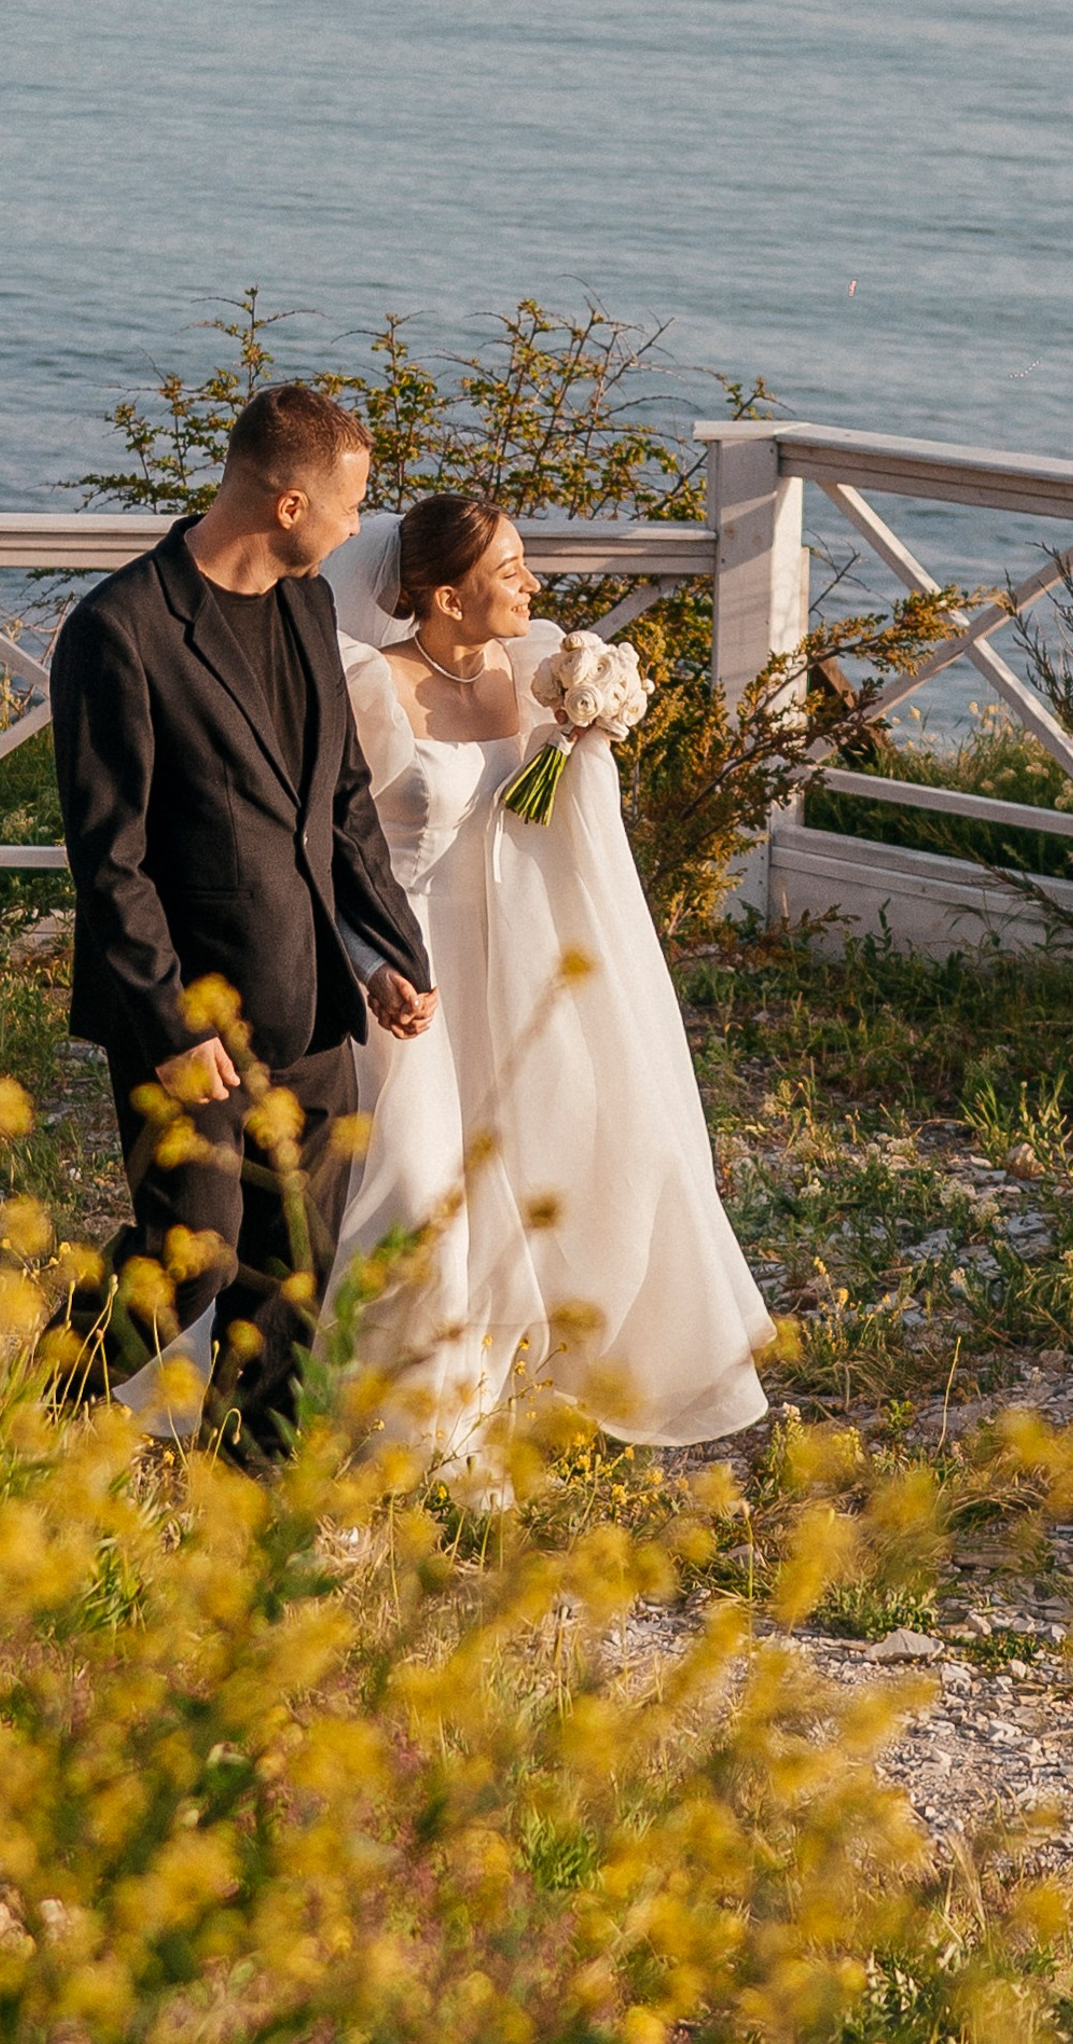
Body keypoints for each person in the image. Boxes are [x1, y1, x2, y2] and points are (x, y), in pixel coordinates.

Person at [321, 493, 771, 1490]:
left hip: (518, 961)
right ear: (444, 594)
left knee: (526, 1184)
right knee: (419, 1181)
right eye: (511, 567)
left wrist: (589, 733)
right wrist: (367, 961)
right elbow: (328, 849)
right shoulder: (369, 687)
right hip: (407, 967)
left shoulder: (540, 675)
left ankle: (474, 1412)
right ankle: (387, 1423)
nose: (534, 582)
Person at [50, 386, 437, 1452]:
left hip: (313, 1003)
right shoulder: (117, 630)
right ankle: (26, 1419)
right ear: (285, 502)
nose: (362, 527)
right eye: (350, 505)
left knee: (292, 1269)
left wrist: (388, 951)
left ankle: (251, 1497)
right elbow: (110, 863)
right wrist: (172, 1026)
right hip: (189, 1022)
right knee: (195, 1256)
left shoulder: (311, 607)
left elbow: (342, 801)